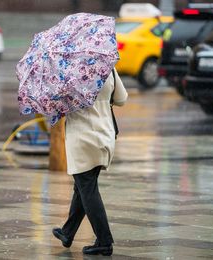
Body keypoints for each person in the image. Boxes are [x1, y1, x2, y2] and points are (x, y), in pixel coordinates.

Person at [52, 68, 128, 256]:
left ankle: (104, 241)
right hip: (104, 135)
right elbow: (121, 99)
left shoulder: (68, 70)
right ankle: (68, 232)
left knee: (87, 188)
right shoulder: (107, 66)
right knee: (83, 186)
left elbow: (57, 106)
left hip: (82, 139)